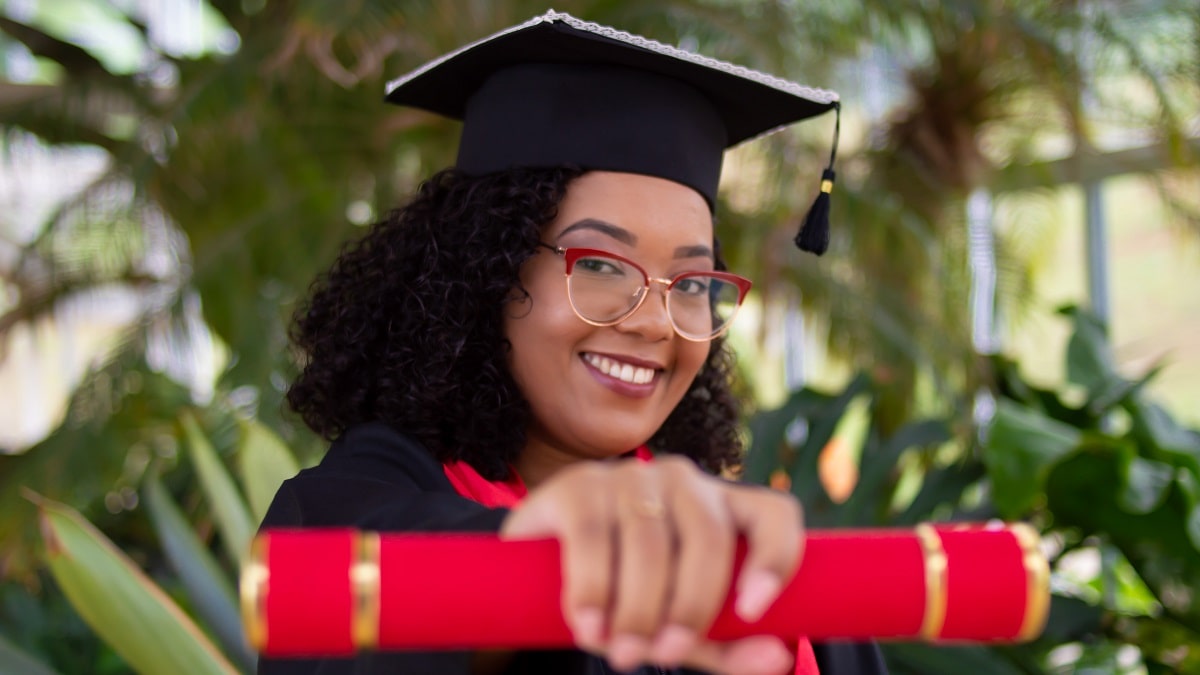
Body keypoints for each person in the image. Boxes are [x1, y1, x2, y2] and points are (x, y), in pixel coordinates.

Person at [258, 11, 887, 675]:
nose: (653, 321)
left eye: (692, 281)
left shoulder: (749, 561)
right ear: (487, 272)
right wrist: (555, 554)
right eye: (598, 264)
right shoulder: (350, 511)